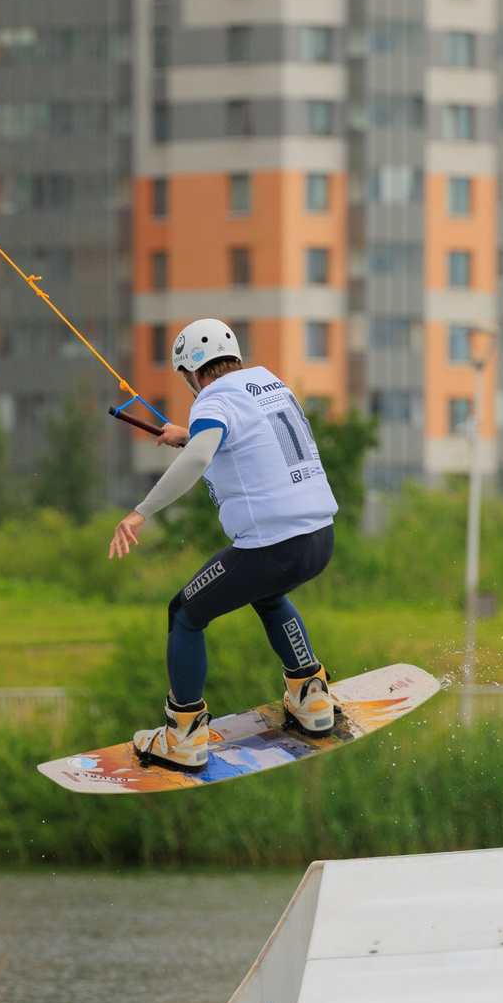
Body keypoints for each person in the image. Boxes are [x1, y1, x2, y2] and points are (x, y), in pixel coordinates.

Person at [106, 318, 338, 771]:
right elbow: (243, 438)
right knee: (268, 597)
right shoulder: (267, 382)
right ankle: (311, 698)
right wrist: (191, 432)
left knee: (184, 615)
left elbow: (197, 457)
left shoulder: (213, 397)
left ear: (193, 373)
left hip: (272, 548)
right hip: (319, 540)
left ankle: (184, 735)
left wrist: (140, 513)